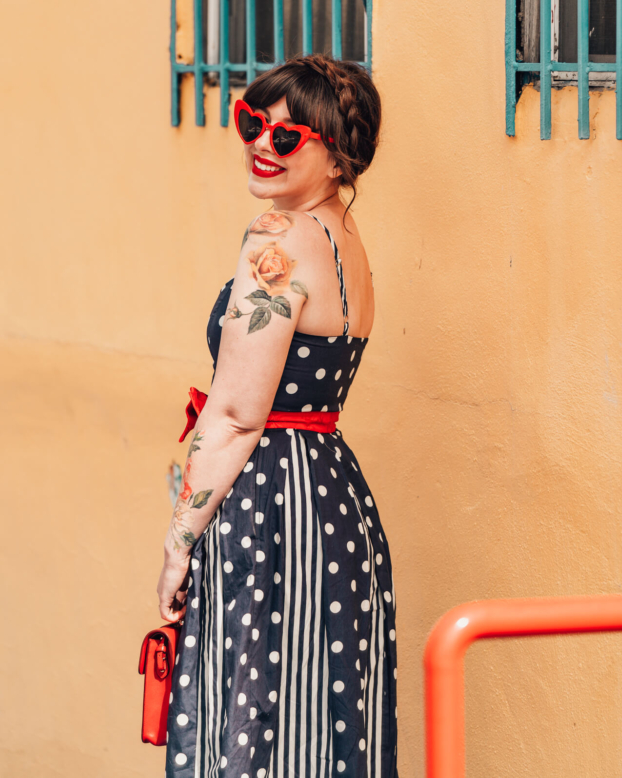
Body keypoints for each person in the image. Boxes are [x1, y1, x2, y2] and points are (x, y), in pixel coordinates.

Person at [157, 54, 397, 778]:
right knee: (318, 718)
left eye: (288, 137)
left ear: (337, 155)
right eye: (252, 122)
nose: (262, 143)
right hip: (335, 500)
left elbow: (234, 413)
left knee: (254, 709)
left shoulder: (276, 239)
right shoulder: (343, 242)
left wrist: (179, 539)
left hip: (268, 500)